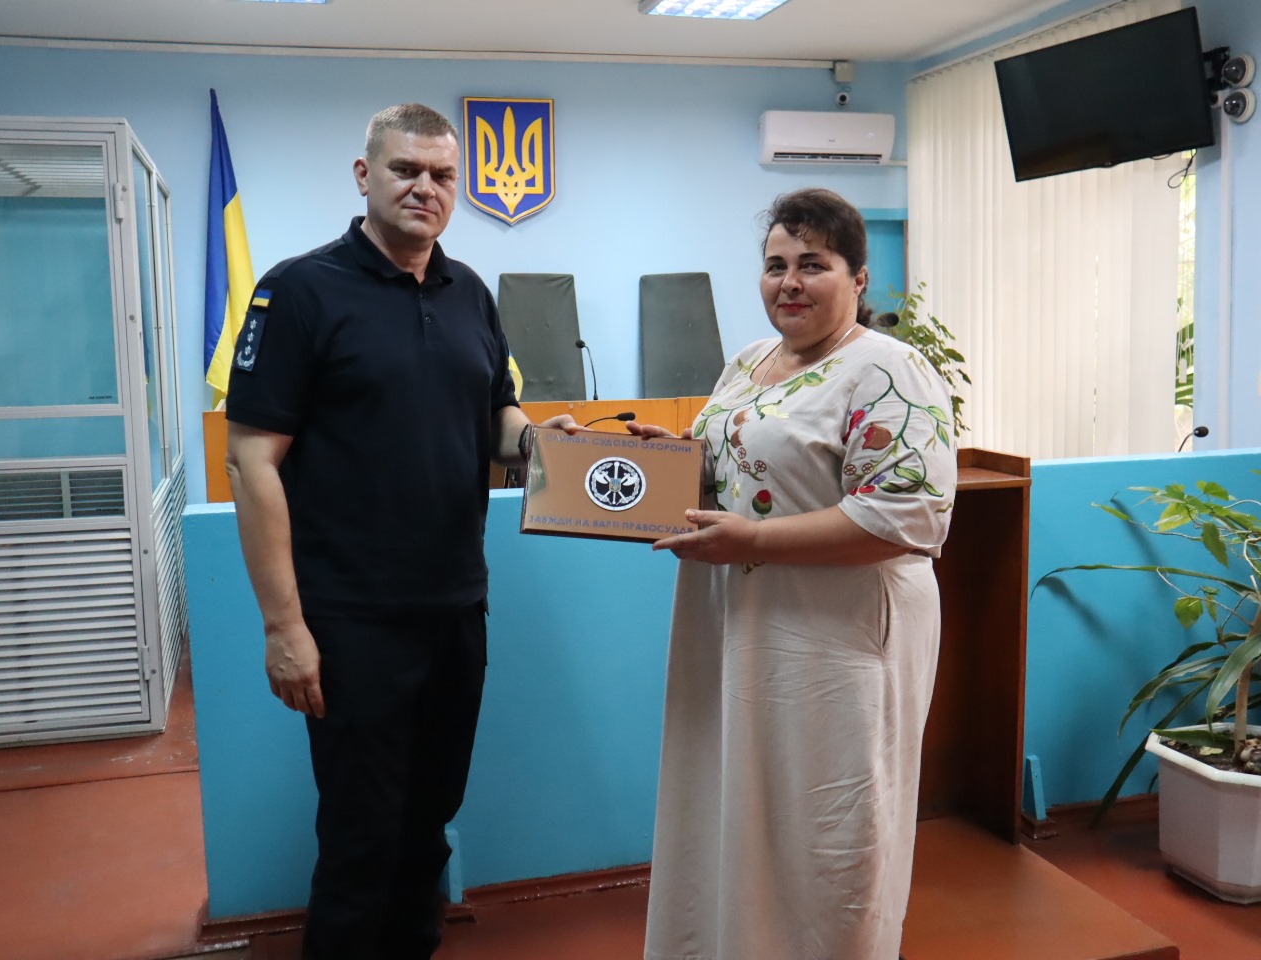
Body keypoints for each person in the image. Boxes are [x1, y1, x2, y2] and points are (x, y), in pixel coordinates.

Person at [223, 103, 571, 960]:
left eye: (443, 175)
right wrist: (284, 627)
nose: (425, 187)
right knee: (361, 837)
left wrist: (548, 447)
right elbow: (250, 460)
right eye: (405, 169)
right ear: (364, 175)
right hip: (350, 621)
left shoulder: (470, 293)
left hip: (455, 609)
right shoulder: (299, 291)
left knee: (428, 825)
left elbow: (496, 417)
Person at [632, 188, 958, 960]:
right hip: (738, 626)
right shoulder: (750, 362)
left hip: (836, 637)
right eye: (776, 265)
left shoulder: (888, 370)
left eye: (813, 264)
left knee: (823, 832)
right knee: (733, 808)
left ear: (858, 278)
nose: (790, 282)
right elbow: (739, 466)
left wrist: (755, 538)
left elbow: (909, 515)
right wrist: (675, 461)